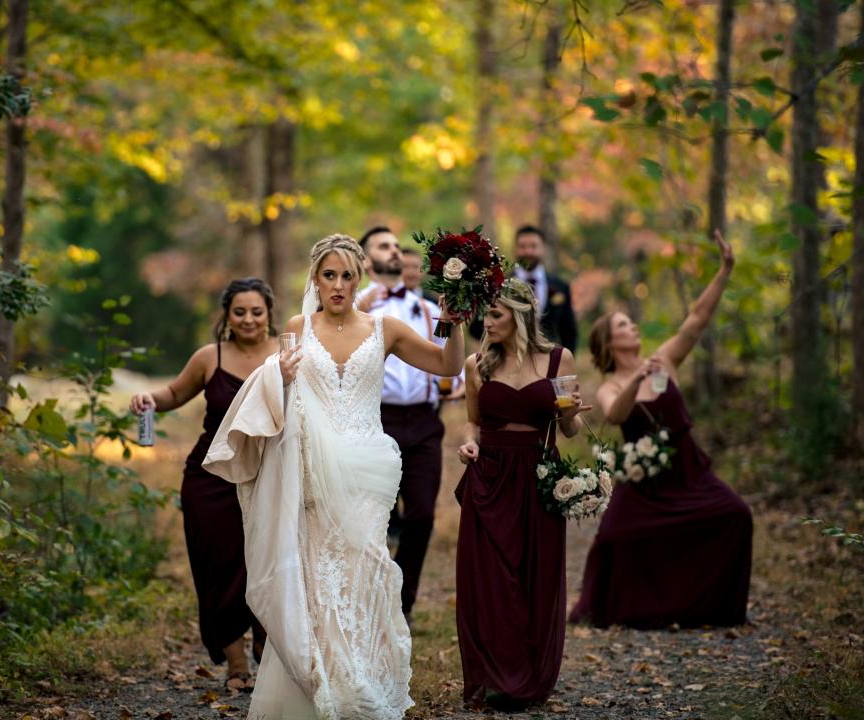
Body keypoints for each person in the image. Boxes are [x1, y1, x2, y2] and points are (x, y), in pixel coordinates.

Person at [203, 234, 465, 719]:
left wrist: (450, 323)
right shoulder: (299, 327)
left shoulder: (384, 328)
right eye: (330, 275)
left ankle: (362, 678)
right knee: (319, 576)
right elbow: (283, 395)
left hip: (368, 468)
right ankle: (324, 681)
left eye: (347, 275)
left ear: (359, 278)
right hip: (313, 470)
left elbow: (446, 365)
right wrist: (277, 376)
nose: (339, 285)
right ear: (315, 279)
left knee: (364, 567)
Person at [569, 230, 752, 629]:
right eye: (623, 324)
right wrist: (637, 380)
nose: (633, 326)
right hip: (644, 484)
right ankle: (626, 608)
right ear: (609, 339)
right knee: (614, 538)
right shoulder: (612, 385)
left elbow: (696, 320)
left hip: (689, 470)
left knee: (736, 514)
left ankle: (708, 606)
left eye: (630, 322)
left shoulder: (664, 360)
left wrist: (725, 271)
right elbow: (614, 415)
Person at [129, 278, 275, 693]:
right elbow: (175, 392)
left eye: (256, 311)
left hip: (268, 476)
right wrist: (149, 399)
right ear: (227, 316)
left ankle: (267, 644)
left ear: (269, 313)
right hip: (210, 479)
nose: (248, 319)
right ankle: (236, 667)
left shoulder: (286, 353)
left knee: (266, 563)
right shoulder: (210, 357)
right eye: (239, 312)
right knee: (219, 568)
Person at [455, 279, 589, 711]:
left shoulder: (558, 358)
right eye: (486, 315)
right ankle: (496, 675)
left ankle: (529, 676)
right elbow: (472, 420)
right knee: (491, 579)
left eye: (495, 315)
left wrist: (571, 414)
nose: (486, 322)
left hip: (538, 474)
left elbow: (569, 429)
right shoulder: (477, 363)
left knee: (535, 575)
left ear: (519, 315)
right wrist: (469, 442)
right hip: (489, 476)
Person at [355, 226, 446, 625]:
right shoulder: (352, 309)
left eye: (396, 245)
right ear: (364, 259)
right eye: (384, 245)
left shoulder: (427, 309)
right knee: (372, 517)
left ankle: (402, 602)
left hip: (425, 424)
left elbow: (447, 365)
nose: (394, 251)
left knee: (422, 515)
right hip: (376, 421)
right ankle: (368, 595)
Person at [469, 224, 577, 352]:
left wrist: (564, 363)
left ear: (543, 249)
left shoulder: (560, 287)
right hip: (507, 360)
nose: (528, 252)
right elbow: (476, 327)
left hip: (548, 360)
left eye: (533, 246)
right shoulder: (496, 285)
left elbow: (569, 331)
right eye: (523, 246)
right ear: (515, 249)